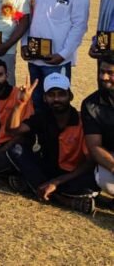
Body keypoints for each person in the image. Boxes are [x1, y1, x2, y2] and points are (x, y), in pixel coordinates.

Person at [6, 73, 98, 214]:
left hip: (73, 175)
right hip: (48, 171)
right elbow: (12, 131)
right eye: (51, 95)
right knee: (16, 150)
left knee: (93, 181)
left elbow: (89, 163)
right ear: (44, 98)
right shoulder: (42, 117)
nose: (56, 99)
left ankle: (33, 185)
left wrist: (56, 182)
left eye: (61, 94)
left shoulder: (82, 121)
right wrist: (20, 104)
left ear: (70, 96)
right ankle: (63, 199)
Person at [22, 0, 89, 106]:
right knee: (36, 104)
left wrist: (63, 54)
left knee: (57, 105)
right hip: (35, 59)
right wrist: (24, 44)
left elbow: (79, 25)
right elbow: (28, 20)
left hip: (57, 61)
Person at [80, 56, 114, 197]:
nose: (104, 77)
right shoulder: (90, 104)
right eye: (102, 71)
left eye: (110, 73)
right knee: (106, 182)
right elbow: (94, 147)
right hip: (111, 156)